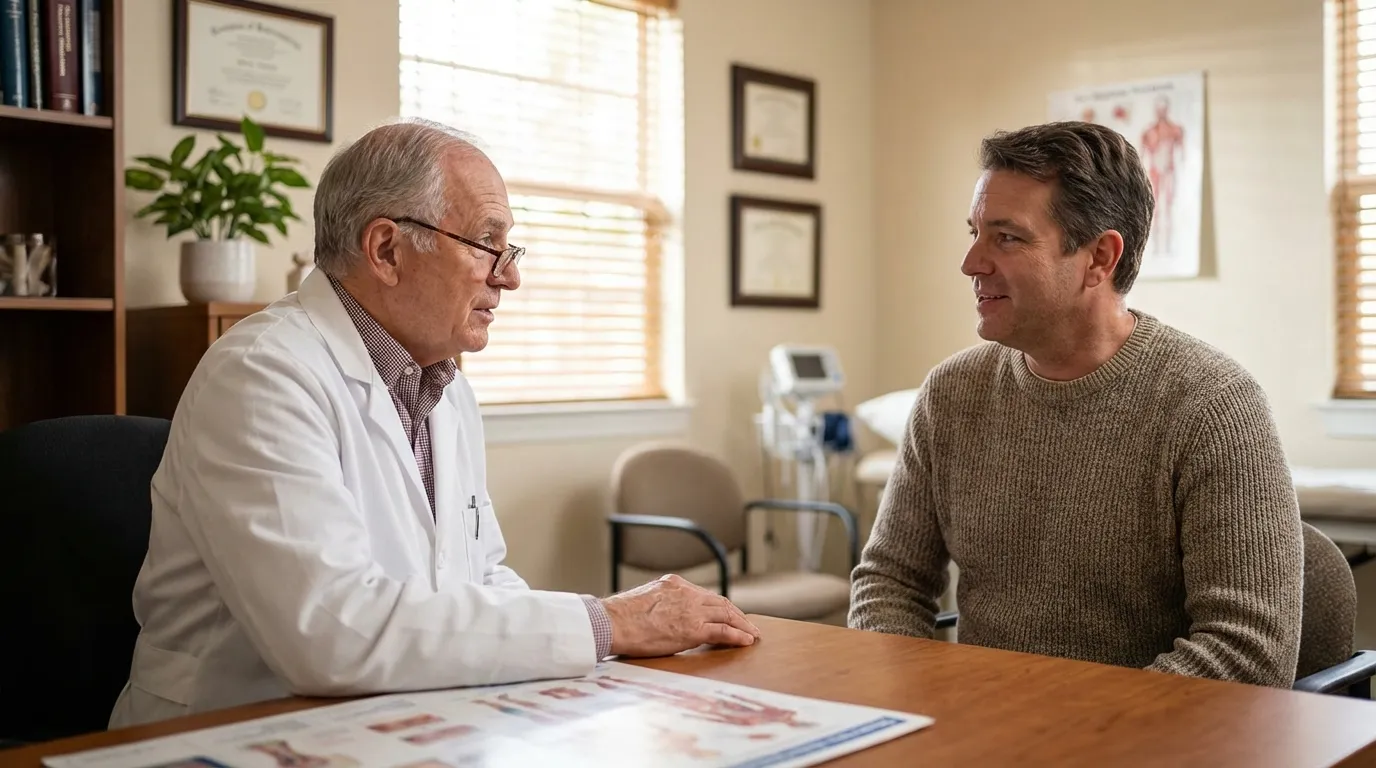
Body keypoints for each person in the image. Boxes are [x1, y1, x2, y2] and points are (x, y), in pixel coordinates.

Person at [109, 118, 761, 728]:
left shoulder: (444, 387)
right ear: (387, 249)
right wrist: (607, 623)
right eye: (487, 244)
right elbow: (329, 633)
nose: (510, 277)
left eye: (511, 249)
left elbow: (481, 579)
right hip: (230, 727)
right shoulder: (260, 374)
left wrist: (587, 659)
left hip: (387, 722)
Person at [847, 121, 1303, 688]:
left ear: (1099, 257)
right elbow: (889, 581)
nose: (971, 263)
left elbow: (1248, 650)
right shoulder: (950, 395)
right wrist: (923, 700)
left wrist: (1074, 730)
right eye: (974, 233)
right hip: (985, 731)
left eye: (1006, 237)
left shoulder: (1213, 406)